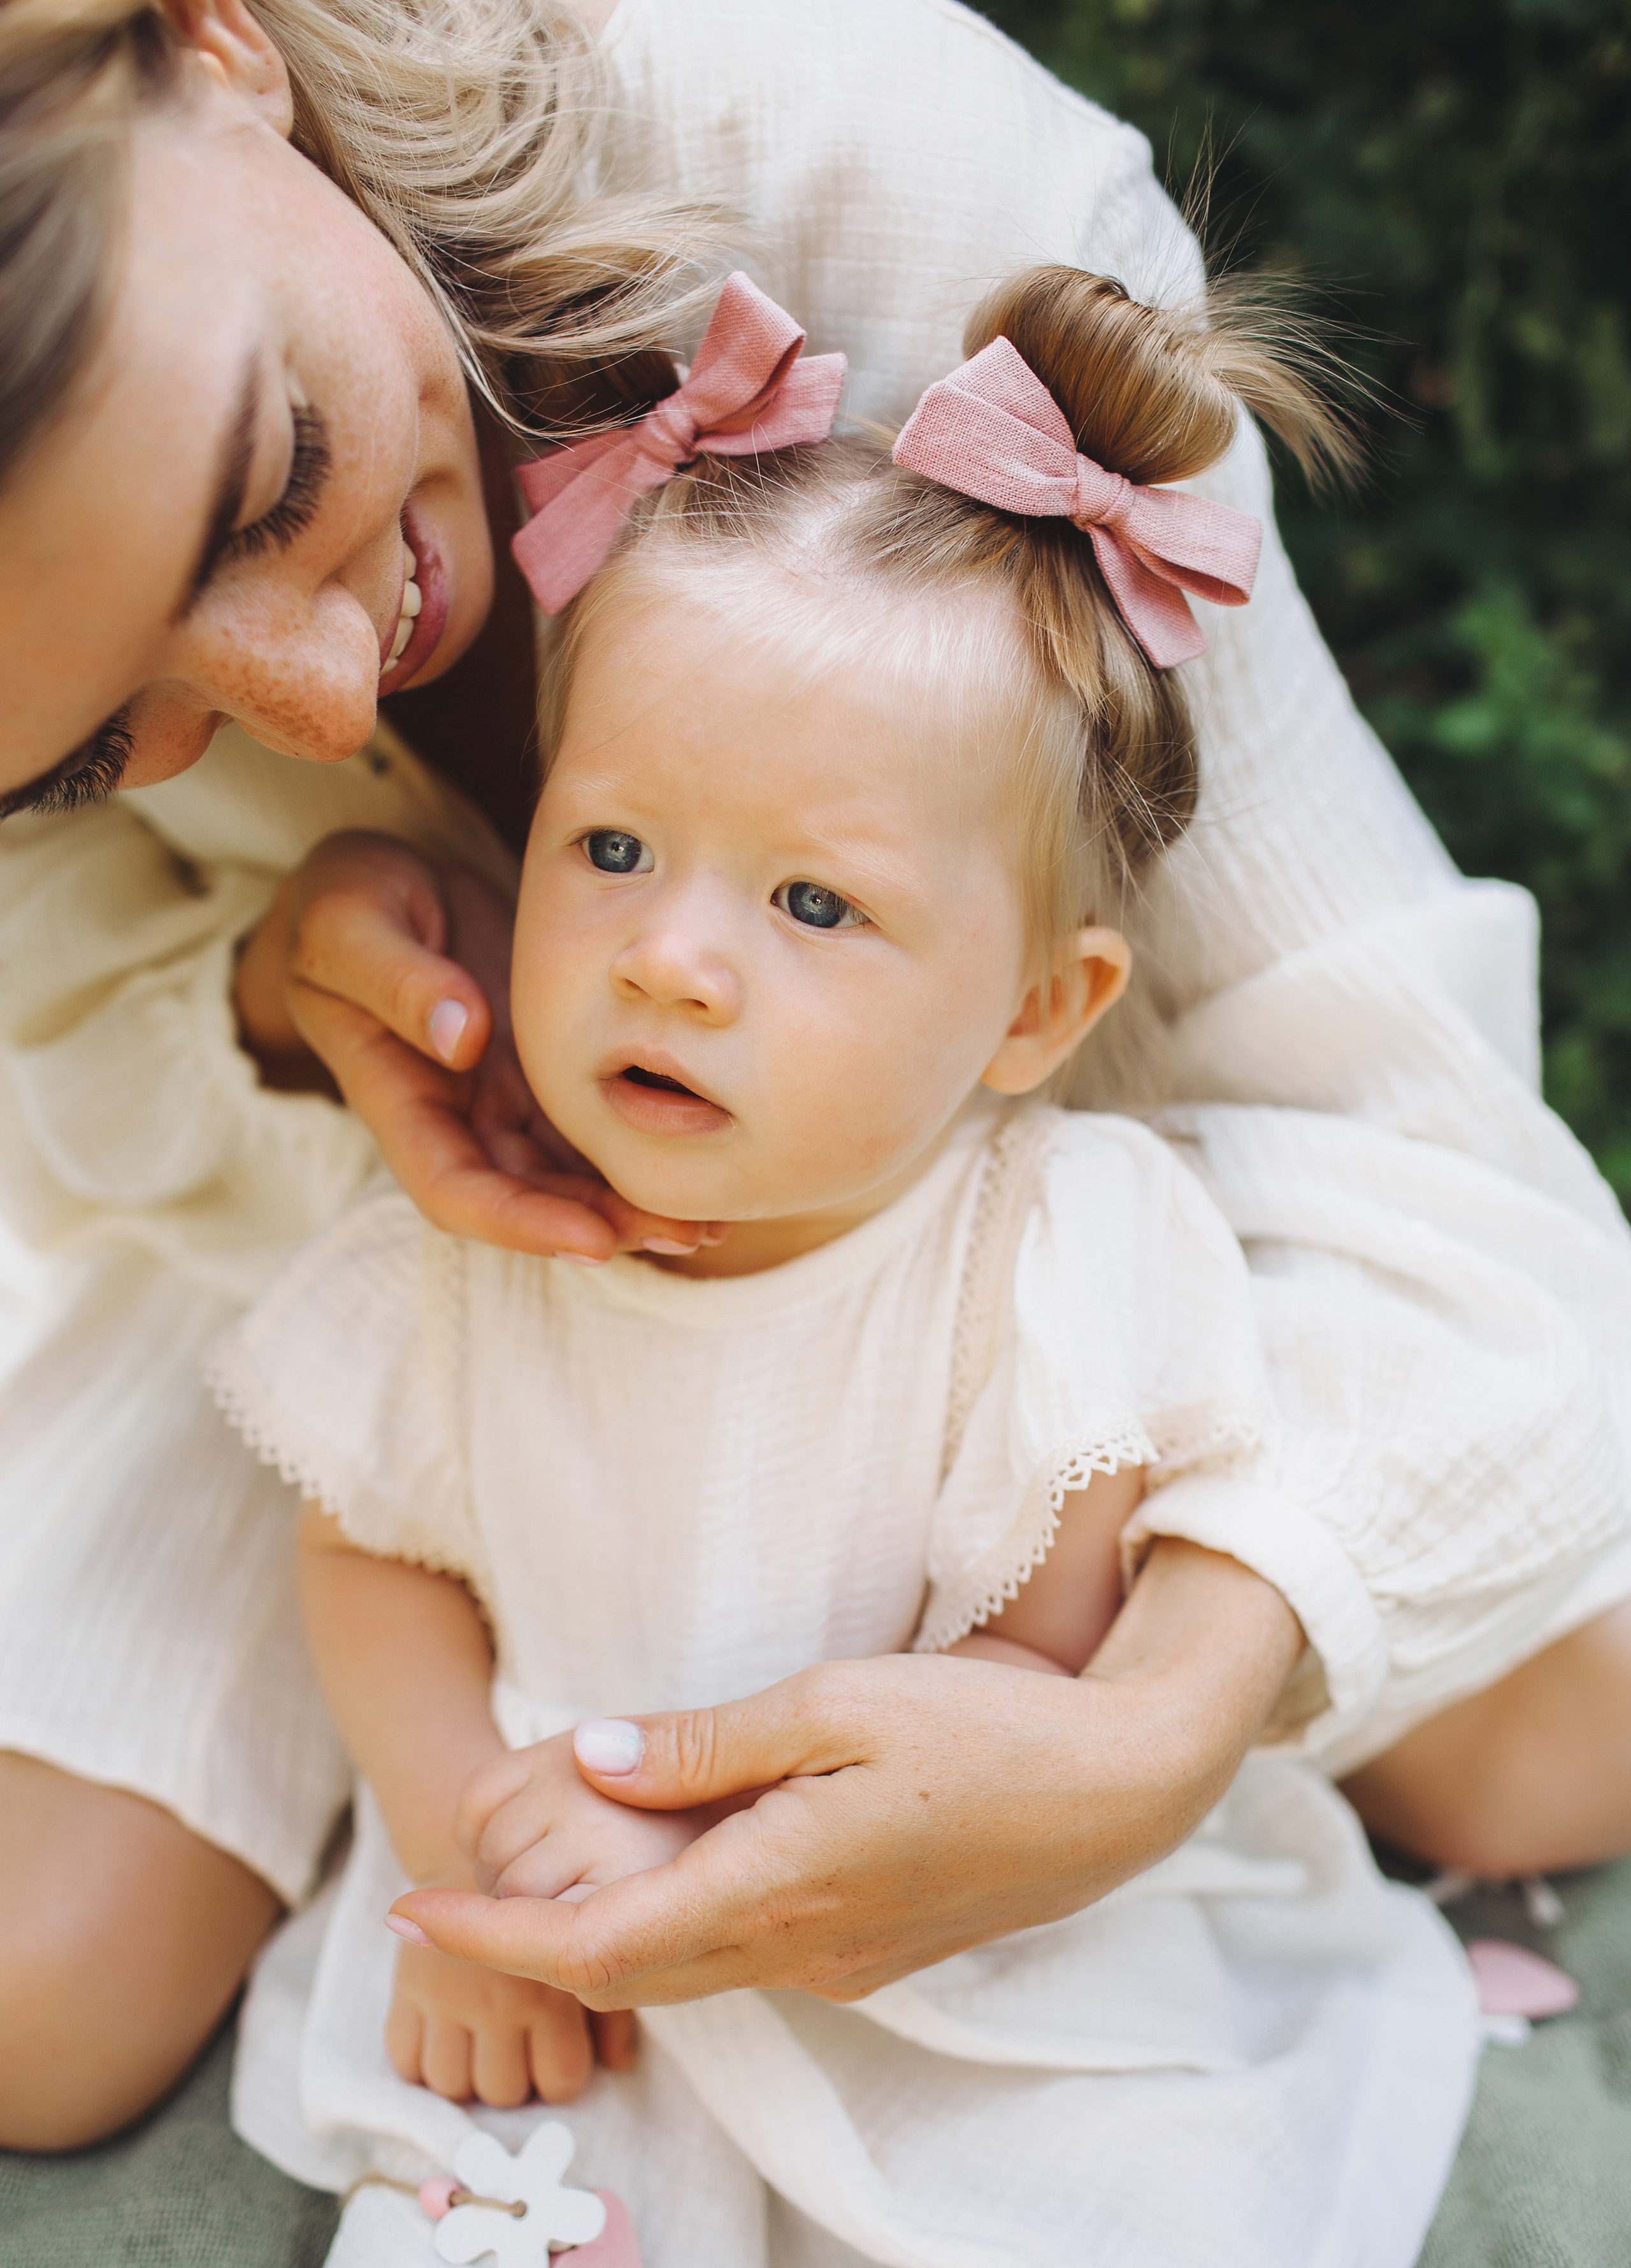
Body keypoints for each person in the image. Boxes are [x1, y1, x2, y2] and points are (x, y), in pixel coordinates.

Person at [2, 0, 1630, 2153]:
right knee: (40, 2003)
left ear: (210, 44)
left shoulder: (859, 152)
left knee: (1548, 1741)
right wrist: (269, 1003)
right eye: (111, 735)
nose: (316, 707)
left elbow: (1395, 1092)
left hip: (1004, 1231)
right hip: (410, 1259)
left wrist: (1156, 1715)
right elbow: (53, 1046)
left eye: (270, 479)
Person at [212, 266, 1482, 2268]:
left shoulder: (1046, 1258)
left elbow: (1036, 1660)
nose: (674, 960)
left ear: (1033, 1015)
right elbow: (376, 1547)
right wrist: (470, 1862)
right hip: (574, 1989)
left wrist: (705, 1849)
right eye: (612, 850)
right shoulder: (486, 1228)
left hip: (939, 1945)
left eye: (813, 908)